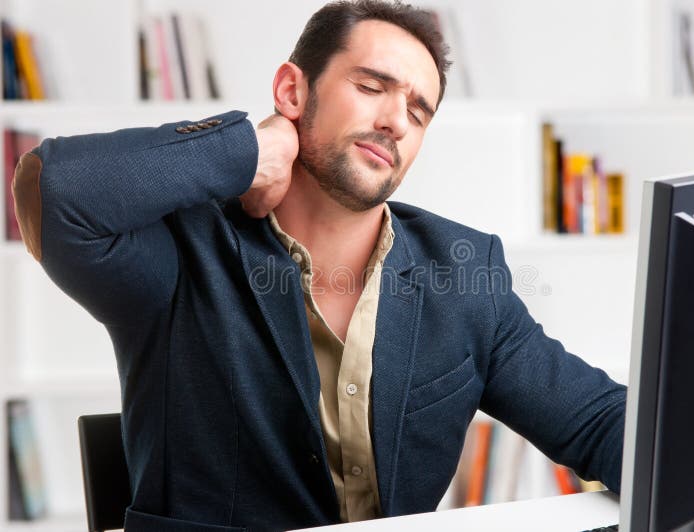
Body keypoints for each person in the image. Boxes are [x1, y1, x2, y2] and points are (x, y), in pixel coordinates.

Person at [12, 1, 626, 531]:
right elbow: (57, 192)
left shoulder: (465, 274)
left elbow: (599, 422)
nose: (394, 122)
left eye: (418, 112)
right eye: (370, 86)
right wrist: (253, 147)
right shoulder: (181, 251)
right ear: (291, 90)